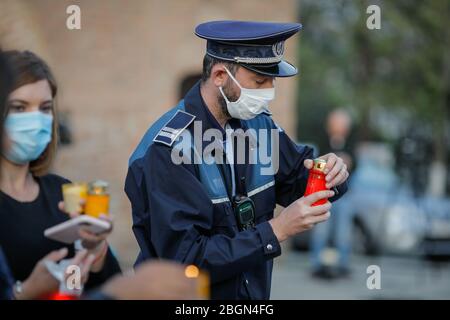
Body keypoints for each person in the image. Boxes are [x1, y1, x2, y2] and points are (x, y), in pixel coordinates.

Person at [125, 20, 349, 300]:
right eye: (259, 81)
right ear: (220, 75)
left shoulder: (259, 125)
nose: (269, 92)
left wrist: (332, 172)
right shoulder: (169, 148)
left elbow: (299, 181)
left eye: (272, 80)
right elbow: (187, 260)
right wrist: (276, 230)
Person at [0, 50, 121, 293]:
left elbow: (109, 286)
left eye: (44, 108)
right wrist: (25, 293)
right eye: (19, 108)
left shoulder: (63, 191)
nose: (35, 120)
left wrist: (94, 248)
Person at [310, 109, 355, 279]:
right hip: (324, 192)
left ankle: (343, 264)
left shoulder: (351, 142)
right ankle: (317, 263)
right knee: (321, 229)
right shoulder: (322, 140)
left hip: (345, 195)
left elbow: (354, 163)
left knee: (343, 231)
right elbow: (318, 163)